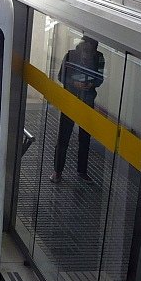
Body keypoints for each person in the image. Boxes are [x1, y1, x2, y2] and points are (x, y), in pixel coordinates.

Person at [50, 35, 105, 184]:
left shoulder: (99, 57)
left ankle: (82, 171)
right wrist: (75, 83)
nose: (90, 54)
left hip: (87, 101)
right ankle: (57, 171)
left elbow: (100, 78)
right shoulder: (70, 55)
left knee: (85, 138)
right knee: (63, 137)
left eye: (92, 51)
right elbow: (61, 76)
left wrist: (91, 85)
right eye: (88, 50)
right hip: (71, 101)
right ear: (83, 46)